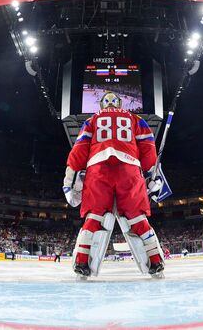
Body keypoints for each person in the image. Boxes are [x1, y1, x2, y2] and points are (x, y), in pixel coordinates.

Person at [63, 91, 164, 277]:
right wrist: (151, 173)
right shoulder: (136, 119)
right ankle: (155, 261)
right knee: (137, 217)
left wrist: (69, 180)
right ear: (119, 104)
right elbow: (148, 145)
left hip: (98, 169)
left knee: (94, 217)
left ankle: (82, 262)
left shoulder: (92, 120)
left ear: (102, 105)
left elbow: (79, 150)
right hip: (129, 168)